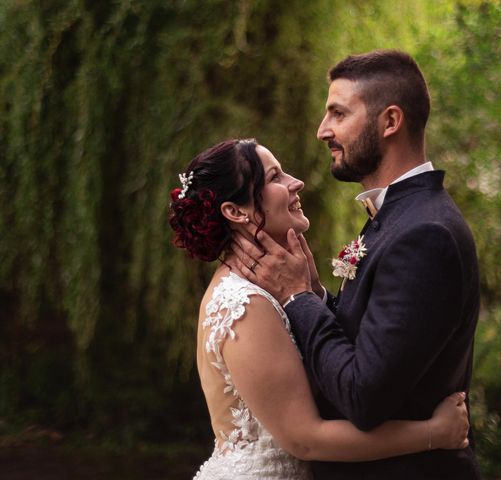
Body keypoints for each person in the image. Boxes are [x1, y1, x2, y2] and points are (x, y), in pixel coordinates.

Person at [233, 50, 482, 479]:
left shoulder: (425, 235)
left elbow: (363, 396)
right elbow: (368, 343)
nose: (322, 130)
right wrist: (316, 297)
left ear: (389, 122)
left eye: (338, 113)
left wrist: (297, 298)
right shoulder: (399, 218)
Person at [168, 138, 471, 480]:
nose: (296, 182)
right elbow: (306, 440)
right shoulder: (245, 305)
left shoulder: (267, 289)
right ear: (236, 212)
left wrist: (311, 295)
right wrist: (434, 433)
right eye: (275, 177)